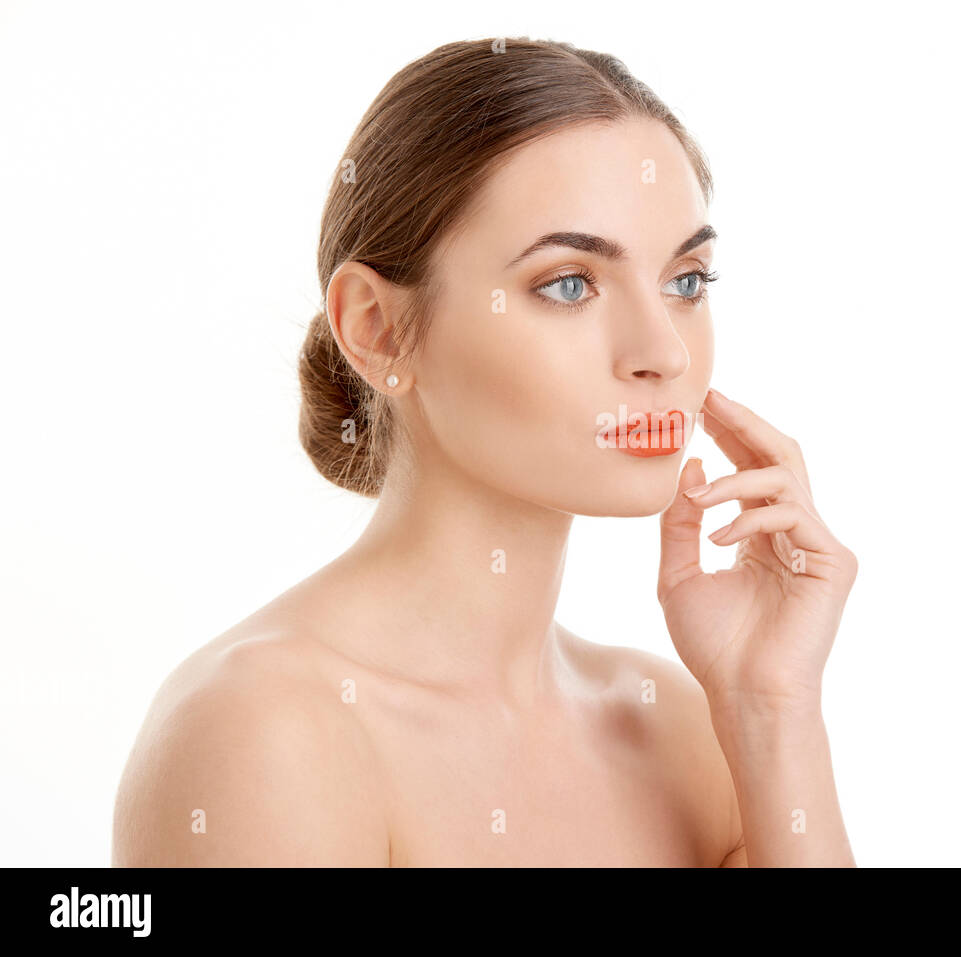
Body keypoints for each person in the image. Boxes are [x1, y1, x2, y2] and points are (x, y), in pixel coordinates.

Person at [112, 37, 858, 867]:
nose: (664, 354)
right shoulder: (265, 732)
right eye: (569, 283)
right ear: (378, 327)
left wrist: (772, 708)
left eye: (686, 280)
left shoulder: (683, 728)